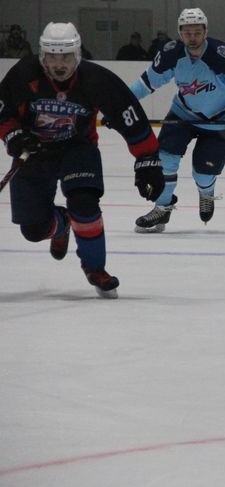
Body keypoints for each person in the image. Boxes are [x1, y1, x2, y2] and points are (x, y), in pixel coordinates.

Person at [0, 22, 164, 298]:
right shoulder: (24, 74)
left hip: (77, 148)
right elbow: (2, 110)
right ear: (43, 56)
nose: (60, 64)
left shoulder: (96, 79)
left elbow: (130, 119)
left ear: (77, 54)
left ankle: (95, 269)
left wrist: (147, 159)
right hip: (33, 152)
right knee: (33, 229)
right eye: (53, 56)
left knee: (84, 203)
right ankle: (61, 224)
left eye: (66, 56)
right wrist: (14, 136)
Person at [129, 8, 225, 232]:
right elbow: (145, 84)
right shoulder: (171, 53)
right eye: (187, 32)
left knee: (203, 173)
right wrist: (120, 104)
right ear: (180, 33)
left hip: (220, 120)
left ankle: (206, 192)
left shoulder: (222, 55)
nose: (192, 37)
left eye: (197, 32)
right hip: (182, 114)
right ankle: (162, 208)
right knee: (165, 159)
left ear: (205, 31)